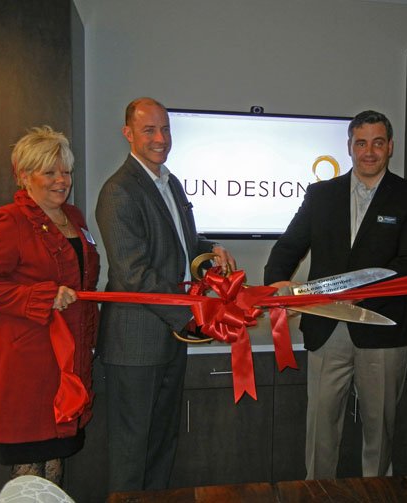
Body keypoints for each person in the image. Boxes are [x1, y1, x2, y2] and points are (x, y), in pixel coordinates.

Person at [264, 110, 407, 479]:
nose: (369, 151)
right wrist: (276, 285)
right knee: (321, 429)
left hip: (382, 327)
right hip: (326, 327)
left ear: (390, 147)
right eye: (361, 143)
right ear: (349, 147)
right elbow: (290, 244)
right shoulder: (322, 194)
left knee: (379, 432)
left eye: (378, 142)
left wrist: (360, 290)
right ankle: (317, 493)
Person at [95, 97, 236, 492]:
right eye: (149, 130)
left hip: (170, 340)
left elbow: (182, 242)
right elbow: (133, 274)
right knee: (131, 451)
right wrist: (191, 315)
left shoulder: (169, 182)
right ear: (128, 134)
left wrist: (210, 252)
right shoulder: (119, 191)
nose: (160, 138)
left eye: (165, 129)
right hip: (135, 344)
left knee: (161, 446)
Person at [0, 126, 100, 486]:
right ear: (24, 176)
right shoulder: (9, 220)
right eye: (49, 172)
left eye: (66, 171)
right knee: (29, 471)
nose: (61, 180)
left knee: (55, 461)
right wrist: (42, 295)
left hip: (69, 364)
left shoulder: (75, 218)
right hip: (28, 366)